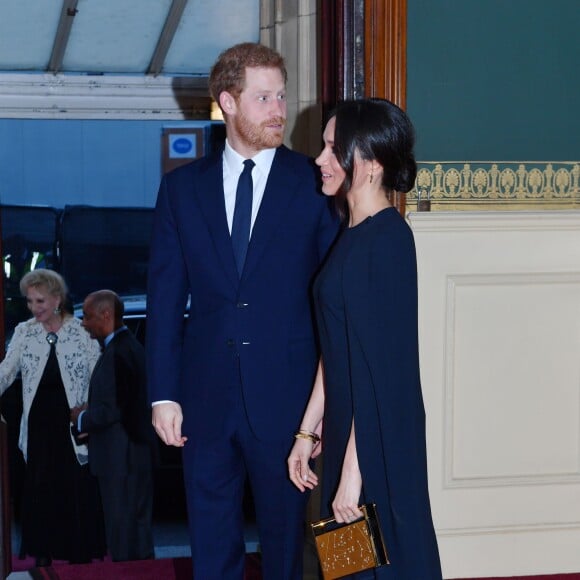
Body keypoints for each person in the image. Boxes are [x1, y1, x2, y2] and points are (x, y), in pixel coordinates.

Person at [146, 42, 339, 579]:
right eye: (263, 98)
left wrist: (323, 406)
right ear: (228, 102)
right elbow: (164, 300)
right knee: (211, 544)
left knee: (285, 547)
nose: (278, 109)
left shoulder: (315, 184)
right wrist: (163, 393)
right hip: (203, 399)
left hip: (288, 399)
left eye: (281, 95)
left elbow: (334, 300)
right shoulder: (181, 190)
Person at [287, 99, 443, 579]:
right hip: (347, 435)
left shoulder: (389, 241)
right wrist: (307, 431)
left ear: (371, 163)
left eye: (335, 149)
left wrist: (353, 475)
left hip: (377, 439)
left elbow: (382, 373)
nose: (321, 159)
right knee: (349, 568)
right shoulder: (348, 233)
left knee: (379, 567)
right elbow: (336, 348)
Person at [0, 268, 105, 566]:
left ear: (57, 299)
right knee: (41, 488)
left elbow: (99, 378)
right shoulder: (24, 331)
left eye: (41, 301)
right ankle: (43, 555)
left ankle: (77, 554)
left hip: (73, 423)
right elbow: (6, 372)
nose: (35, 308)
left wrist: (91, 416)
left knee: (74, 487)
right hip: (39, 425)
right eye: (30, 302)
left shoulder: (81, 331)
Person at [70, 290, 155, 562]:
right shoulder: (129, 347)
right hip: (133, 456)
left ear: (106, 315)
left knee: (122, 536)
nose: (83, 323)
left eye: (87, 316)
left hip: (121, 459)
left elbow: (114, 409)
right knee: (137, 533)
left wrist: (80, 418)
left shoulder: (119, 352)